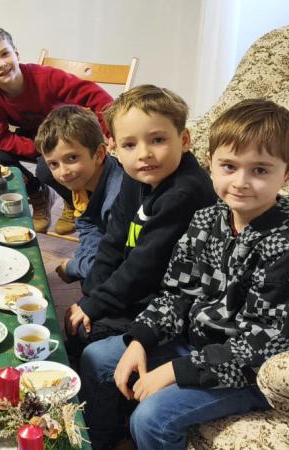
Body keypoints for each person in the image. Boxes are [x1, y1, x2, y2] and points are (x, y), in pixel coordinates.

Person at [79, 99, 289, 450]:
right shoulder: (207, 219)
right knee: (98, 357)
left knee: (153, 417)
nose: (241, 182)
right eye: (229, 166)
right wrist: (142, 339)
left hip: (261, 369)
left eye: (260, 170)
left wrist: (174, 372)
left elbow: (266, 345)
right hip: (203, 342)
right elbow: (177, 293)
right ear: (211, 163)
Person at [66, 86, 216, 360]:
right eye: (130, 145)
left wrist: (93, 306)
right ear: (114, 147)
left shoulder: (184, 193)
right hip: (140, 284)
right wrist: (88, 299)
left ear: (184, 140)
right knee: (81, 316)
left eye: (157, 140)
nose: (144, 153)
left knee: (89, 335)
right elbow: (113, 241)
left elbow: (145, 268)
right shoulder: (136, 175)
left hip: (173, 301)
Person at [0, 26, 113, 234]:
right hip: (36, 138)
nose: (0, 64)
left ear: (16, 53)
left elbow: (96, 96)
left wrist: (111, 132)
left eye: (5, 54)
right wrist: (38, 148)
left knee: (46, 168)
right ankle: (38, 193)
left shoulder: (45, 77)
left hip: (66, 135)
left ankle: (73, 201)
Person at [35, 104, 124, 283]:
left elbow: (112, 265)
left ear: (99, 154)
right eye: (54, 164)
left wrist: (73, 267)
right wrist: (81, 262)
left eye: (72, 158)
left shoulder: (116, 201)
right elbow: (89, 227)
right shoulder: (85, 180)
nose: (63, 173)